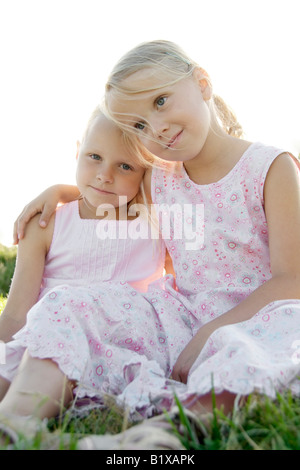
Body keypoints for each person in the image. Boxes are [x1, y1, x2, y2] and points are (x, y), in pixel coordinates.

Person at [12, 40, 300, 448]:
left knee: (252, 354)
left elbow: (293, 279)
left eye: (161, 101)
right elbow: (107, 188)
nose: (157, 128)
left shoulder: (272, 168)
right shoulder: (160, 176)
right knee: (76, 302)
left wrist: (215, 330)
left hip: (260, 318)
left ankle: (156, 438)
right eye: (139, 126)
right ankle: (16, 419)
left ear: (202, 82)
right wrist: (59, 191)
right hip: (178, 317)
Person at [0, 106, 192, 446]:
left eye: (125, 166)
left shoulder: (153, 222)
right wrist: (61, 191)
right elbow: (16, 312)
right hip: (49, 344)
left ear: (145, 174)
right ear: (77, 151)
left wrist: (61, 188)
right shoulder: (46, 223)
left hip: (117, 342)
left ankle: (17, 424)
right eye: (93, 156)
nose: (105, 175)